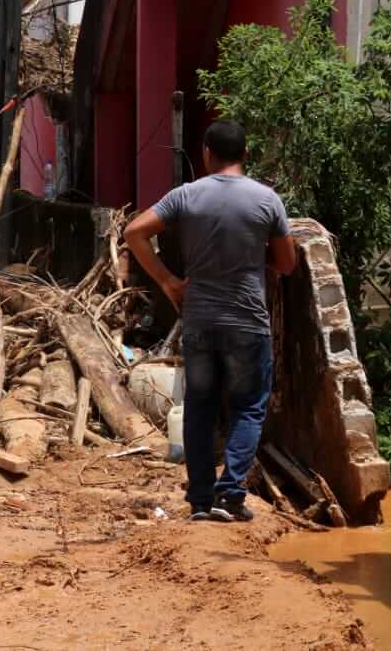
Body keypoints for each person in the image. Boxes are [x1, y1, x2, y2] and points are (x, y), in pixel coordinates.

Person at [124, 120, 297, 523]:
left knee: (200, 408)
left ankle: (201, 500)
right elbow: (287, 264)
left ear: (206, 153)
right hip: (247, 324)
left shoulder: (186, 195)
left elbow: (134, 232)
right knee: (248, 408)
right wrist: (257, 253)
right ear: (246, 154)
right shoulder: (267, 200)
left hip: (199, 322)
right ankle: (230, 496)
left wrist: (167, 280)